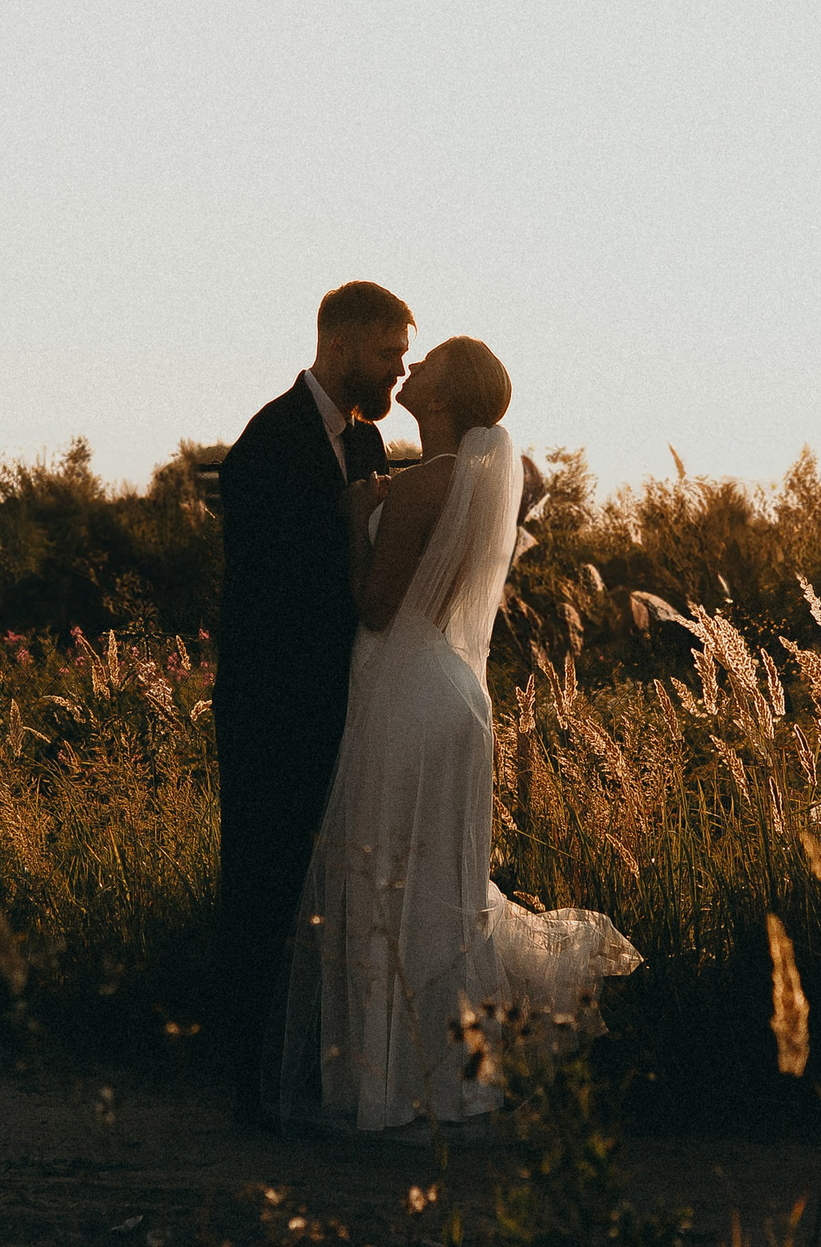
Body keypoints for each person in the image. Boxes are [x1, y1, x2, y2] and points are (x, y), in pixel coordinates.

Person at [270, 334, 640, 1135]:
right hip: (453, 696)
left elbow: (373, 605)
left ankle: (394, 1084)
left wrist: (354, 517)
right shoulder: (477, 484)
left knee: (387, 888)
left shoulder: (415, 487)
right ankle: (446, 1077)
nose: (412, 371)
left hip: (404, 698)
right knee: (440, 896)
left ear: (441, 399)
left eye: (427, 365)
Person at [213, 281, 413, 1124]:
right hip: (273, 707)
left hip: (345, 705)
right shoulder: (267, 445)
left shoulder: (366, 446)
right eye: (388, 355)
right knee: (262, 882)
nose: (398, 374)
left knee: (329, 888)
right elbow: (278, 593)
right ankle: (242, 1085)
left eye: (404, 359)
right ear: (339, 346)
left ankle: (310, 1070)